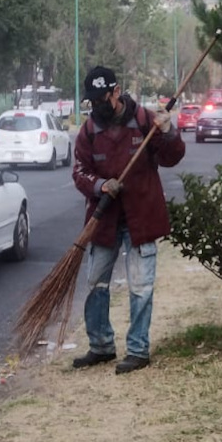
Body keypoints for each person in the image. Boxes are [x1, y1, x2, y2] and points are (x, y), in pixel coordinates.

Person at [71, 66, 184, 374]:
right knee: (96, 283)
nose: (96, 106)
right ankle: (101, 346)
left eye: (101, 99)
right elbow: (79, 171)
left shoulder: (146, 121)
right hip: (104, 219)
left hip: (141, 218)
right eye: (91, 101)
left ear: (116, 92)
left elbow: (172, 157)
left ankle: (138, 350)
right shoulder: (89, 130)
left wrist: (168, 131)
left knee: (141, 286)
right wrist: (101, 185)